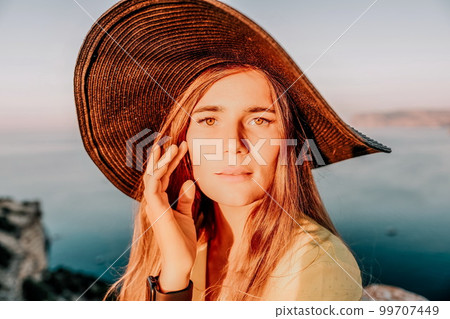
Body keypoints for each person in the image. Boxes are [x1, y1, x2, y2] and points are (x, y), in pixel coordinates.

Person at [74, 0, 391, 301]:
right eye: (209, 120)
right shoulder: (186, 245)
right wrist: (174, 273)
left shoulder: (312, 265)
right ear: (180, 143)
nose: (233, 146)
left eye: (259, 119)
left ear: (289, 141)